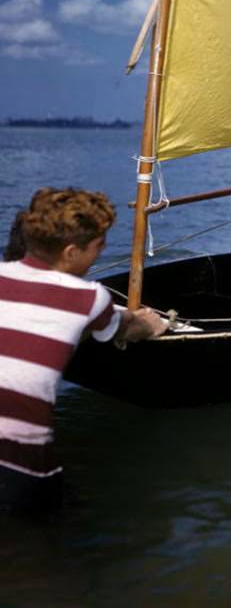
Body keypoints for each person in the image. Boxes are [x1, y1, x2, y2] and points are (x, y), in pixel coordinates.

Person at [0, 187, 168, 514]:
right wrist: (153, 323)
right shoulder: (89, 298)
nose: (100, 253)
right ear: (71, 252)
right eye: (97, 246)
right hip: (21, 459)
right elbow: (132, 328)